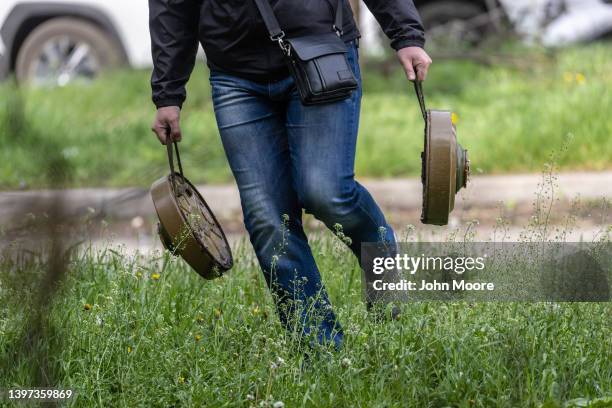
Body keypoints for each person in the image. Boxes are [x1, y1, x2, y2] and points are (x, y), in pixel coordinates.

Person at [149, 0, 432, 348]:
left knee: (326, 192)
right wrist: (167, 92)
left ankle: (382, 263)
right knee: (268, 219)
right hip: (235, 75)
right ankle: (323, 353)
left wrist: (406, 35)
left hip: (321, 49)